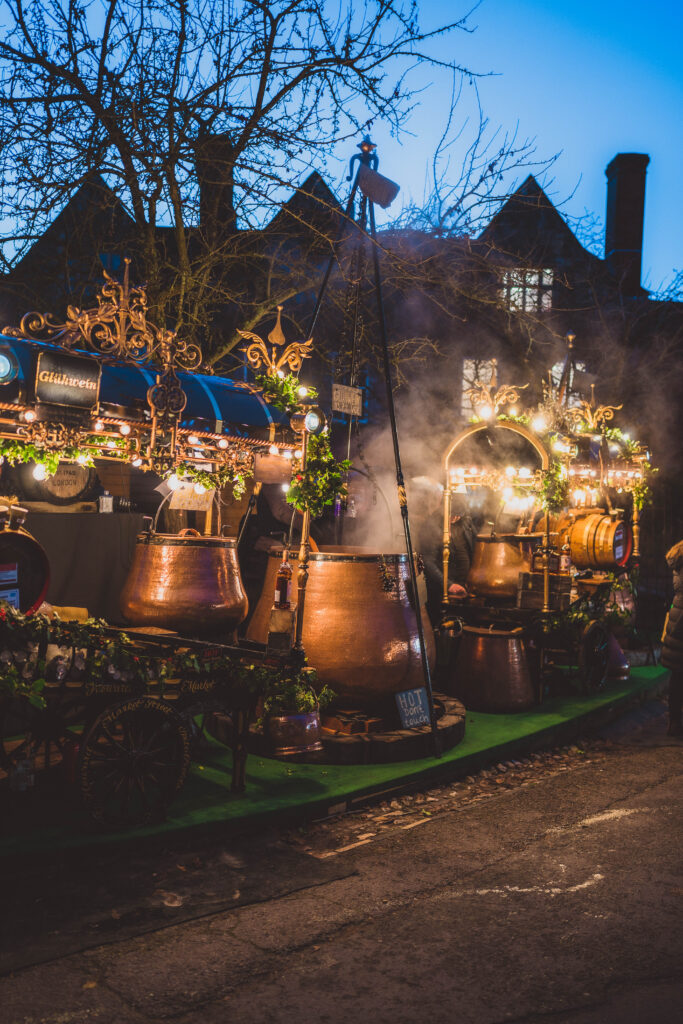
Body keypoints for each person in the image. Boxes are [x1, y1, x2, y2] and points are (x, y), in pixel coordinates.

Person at [660, 539, 683, 736]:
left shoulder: (678, 559)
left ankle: (674, 721)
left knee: (677, 676)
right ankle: (675, 721)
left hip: (677, 621)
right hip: (681, 621)